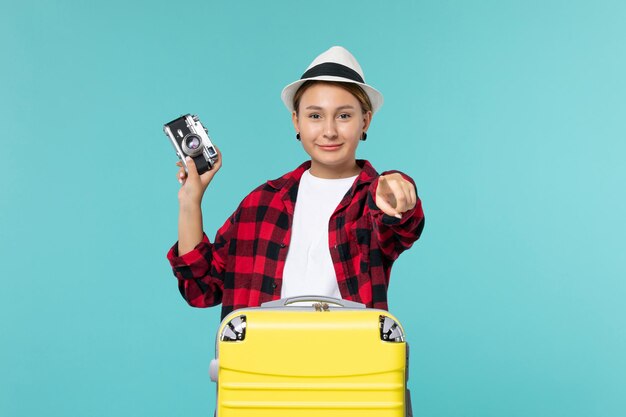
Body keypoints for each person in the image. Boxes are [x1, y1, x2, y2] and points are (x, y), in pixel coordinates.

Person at [167, 46, 425, 320]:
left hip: (349, 359)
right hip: (262, 360)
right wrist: (190, 202)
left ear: (365, 121)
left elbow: (403, 223)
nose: (329, 131)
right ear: (296, 122)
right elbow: (201, 289)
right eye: (315, 116)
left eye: (344, 115)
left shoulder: (374, 200)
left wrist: (399, 192)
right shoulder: (262, 204)